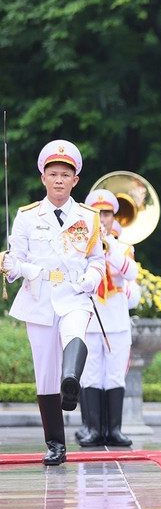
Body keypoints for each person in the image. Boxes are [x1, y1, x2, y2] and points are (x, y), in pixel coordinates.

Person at [0, 140, 105, 465]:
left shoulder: (88, 217)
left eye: (65, 174)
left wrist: (92, 278)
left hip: (74, 294)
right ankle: (55, 444)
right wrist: (9, 265)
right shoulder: (27, 216)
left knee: (76, 334)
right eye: (53, 174)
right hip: (40, 297)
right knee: (45, 373)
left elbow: (97, 260)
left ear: (75, 181)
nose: (59, 180)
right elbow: (16, 262)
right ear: (43, 178)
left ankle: (70, 382)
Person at [76, 189, 141, 447]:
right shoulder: (79, 246)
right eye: (98, 214)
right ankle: (93, 429)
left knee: (114, 376)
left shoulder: (123, 247)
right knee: (91, 376)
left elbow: (131, 274)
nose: (103, 219)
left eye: (107, 214)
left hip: (116, 321)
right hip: (90, 320)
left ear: (114, 217)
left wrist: (109, 246)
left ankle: (114, 430)